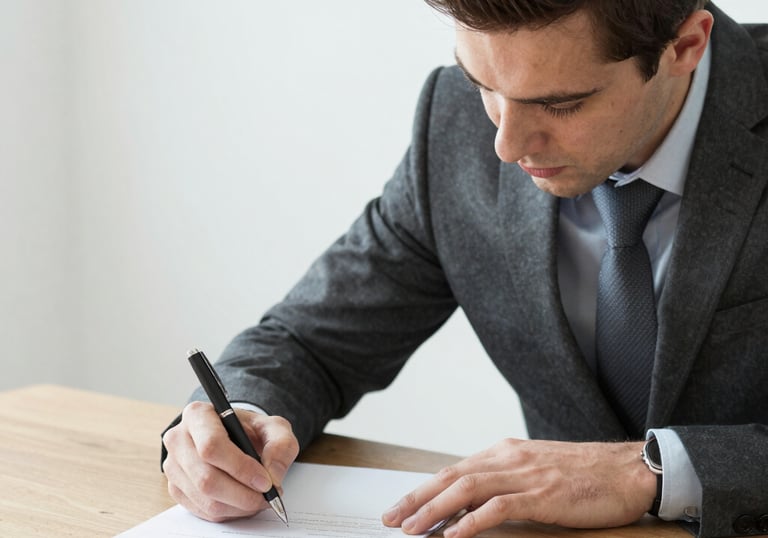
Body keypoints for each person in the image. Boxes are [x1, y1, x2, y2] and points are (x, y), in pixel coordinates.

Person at [160, 1, 768, 537]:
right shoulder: (454, 124)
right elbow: (311, 343)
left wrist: (650, 470)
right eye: (483, 84)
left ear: (685, 46)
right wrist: (235, 422)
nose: (506, 145)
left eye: (559, 104)